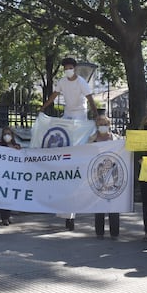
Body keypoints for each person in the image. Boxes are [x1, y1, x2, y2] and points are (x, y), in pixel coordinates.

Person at [39, 57, 98, 230]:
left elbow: (90, 98)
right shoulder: (62, 82)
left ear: (75, 68)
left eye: (71, 68)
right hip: (67, 115)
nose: (68, 70)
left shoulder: (81, 82)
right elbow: (54, 96)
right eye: (66, 68)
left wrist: (96, 115)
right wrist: (43, 108)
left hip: (80, 115)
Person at [89, 115, 119, 239]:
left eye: (105, 124)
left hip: (114, 173)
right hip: (97, 174)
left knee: (115, 203)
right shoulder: (92, 139)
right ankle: (99, 231)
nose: (102, 126)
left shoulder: (116, 138)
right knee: (99, 204)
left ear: (109, 125)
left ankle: (114, 232)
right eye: (100, 124)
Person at [0, 126, 21, 225]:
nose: (7, 136)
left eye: (9, 134)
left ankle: (8, 215)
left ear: (12, 135)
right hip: (2, 174)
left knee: (10, 196)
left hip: (12, 175)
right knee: (3, 196)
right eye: (5, 134)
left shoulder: (16, 145)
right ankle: (4, 218)